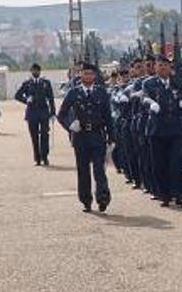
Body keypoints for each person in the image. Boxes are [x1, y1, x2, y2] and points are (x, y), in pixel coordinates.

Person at [57, 61, 113, 213]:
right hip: (80, 136)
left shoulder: (101, 92)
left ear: (94, 76)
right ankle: (86, 200)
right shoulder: (73, 92)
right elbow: (61, 114)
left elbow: (108, 116)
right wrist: (70, 125)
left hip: (97, 135)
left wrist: (112, 138)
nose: (88, 76)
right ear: (80, 75)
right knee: (83, 171)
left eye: (91, 74)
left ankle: (103, 198)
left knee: (99, 170)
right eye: (85, 73)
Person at [141, 55, 182, 209]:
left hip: (176, 128)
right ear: (155, 67)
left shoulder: (178, 82)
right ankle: (164, 195)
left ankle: (180, 195)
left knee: (179, 162)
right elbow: (144, 98)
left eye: (166, 65)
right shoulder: (149, 83)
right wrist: (151, 103)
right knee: (159, 163)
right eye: (160, 65)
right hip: (157, 129)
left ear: (170, 67)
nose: (163, 68)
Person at [15, 64, 56, 166]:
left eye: (37, 70)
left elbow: (51, 98)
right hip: (32, 113)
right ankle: (37, 159)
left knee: (45, 135)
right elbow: (17, 95)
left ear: (40, 71)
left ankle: (45, 157)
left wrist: (53, 113)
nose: (35, 72)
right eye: (34, 70)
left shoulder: (46, 83)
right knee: (34, 136)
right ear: (31, 71)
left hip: (43, 112)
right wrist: (26, 100)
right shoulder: (27, 83)